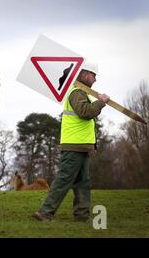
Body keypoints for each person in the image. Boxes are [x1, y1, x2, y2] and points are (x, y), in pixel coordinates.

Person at [33, 61, 110, 222]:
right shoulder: (76, 92)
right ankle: (45, 212)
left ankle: (82, 216)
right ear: (85, 74)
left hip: (81, 146)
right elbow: (85, 112)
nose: (95, 79)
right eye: (93, 75)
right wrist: (101, 102)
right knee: (64, 179)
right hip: (73, 145)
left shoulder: (82, 92)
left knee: (83, 182)